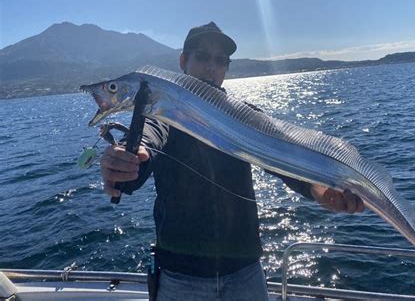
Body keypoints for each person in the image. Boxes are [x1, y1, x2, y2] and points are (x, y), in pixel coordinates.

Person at [100, 21, 364, 301]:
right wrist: (125, 163)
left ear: (226, 69)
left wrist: (319, 191)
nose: (211, 67)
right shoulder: (164, 114)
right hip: (181, 279)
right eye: (202, 56)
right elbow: (145, 142)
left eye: (220, 60)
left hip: (246, 274)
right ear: (183, 62)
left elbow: (282, 159)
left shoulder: (245, 117)